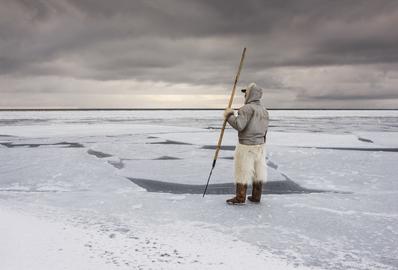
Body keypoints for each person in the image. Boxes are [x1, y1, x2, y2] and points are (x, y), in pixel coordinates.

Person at [224, 83, 269, 204]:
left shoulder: (246, 109)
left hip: (246, 146)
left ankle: (240, 197)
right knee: (257, 172)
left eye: (246, 93)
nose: (244, 95)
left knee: (242, 171)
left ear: (251, 94)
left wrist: (229, 116)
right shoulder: (264, 110)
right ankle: (256, 196)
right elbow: (265, 130)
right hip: (260, 145)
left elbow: (239, 125)